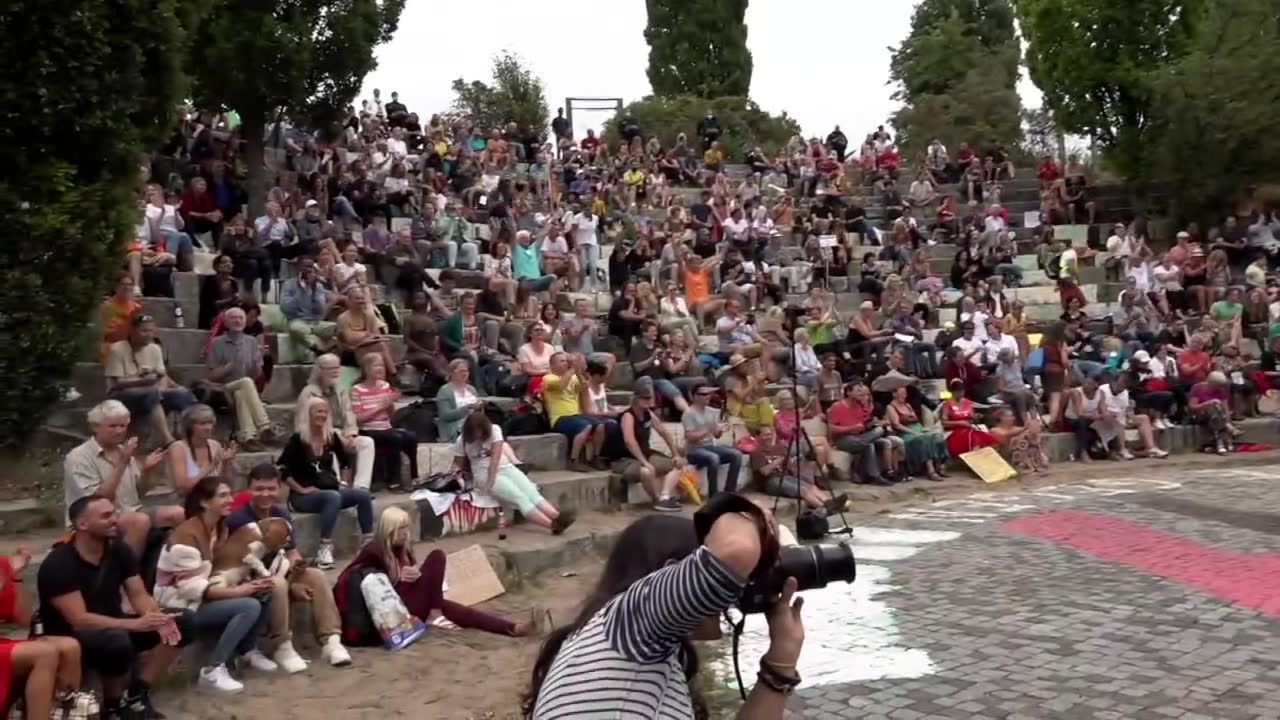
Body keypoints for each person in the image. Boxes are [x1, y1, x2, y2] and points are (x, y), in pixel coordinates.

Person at [525, 507, 804, 719]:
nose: (733, 590)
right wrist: (753, 515)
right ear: (672, 574)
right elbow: (737, 549)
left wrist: (782, 654)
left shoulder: (627, 645)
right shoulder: (631, 622)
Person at [38, 496, 193, 718]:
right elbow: (79, 620)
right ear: (82, 524)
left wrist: (156, 618)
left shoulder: (118, 550)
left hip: (115, 624)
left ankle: (138, 693)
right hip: (71, 636)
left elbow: (138, 594)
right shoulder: (59, 564)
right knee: (116, 639)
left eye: (114, 513)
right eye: (106, 516)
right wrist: (134, 624)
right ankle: (112, 707)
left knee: (183, 621)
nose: (115, 520)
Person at [338, 507, 535, 636]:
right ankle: (435, 612)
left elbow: (410, 574)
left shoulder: (404, 548)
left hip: (411, 600)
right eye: (401, 529)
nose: (406, 533)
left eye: (407, 528)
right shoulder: (375, 550)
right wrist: (395, 578)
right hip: (393, 608)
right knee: (437, 556)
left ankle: (511, 628)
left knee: (457, 610)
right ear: (389, 530)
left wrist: (412, 573)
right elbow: (358, 579)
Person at [227, 464, 352, 668]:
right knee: (277, 583)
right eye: (259, 489)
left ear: (279, 489)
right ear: (249, 489)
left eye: (271, 488)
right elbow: (241, 565)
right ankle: (282, 646)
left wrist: (297, 571)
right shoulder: (238, 520)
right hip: (251, 580)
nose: (265, 494)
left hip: (280, 572)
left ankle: (331, 640)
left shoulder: (281, 514)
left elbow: (292, 552)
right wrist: (290, 584)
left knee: (316, 575)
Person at [164, 477, 274, 692]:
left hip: (202, 595)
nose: (230, 500)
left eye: (230, 494)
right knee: (248, 605)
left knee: (264, 591)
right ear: (204, 503)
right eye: (223, 495)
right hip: (180, 605)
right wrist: (238, 591)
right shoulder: (186, 535)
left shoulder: (218, 528)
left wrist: (248, 582)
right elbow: (190, 588)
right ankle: (212, 670)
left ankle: (248, 650)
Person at [64, 400, 183, 555]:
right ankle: (127, 574)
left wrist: (147, 471)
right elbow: (99, 499)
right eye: (112, 426)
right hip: (94, 519)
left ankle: (176, 568)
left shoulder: (123, 451)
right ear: (95, 427)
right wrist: (122, 463)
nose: (119, 431)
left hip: (131, 511)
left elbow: (138, 495)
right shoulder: (78, 457)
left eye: (123, 426)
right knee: (139, 521)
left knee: (178, 513)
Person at [278, 397, 375, 569]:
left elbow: (345, 462)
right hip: (303, 496)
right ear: (308, 413)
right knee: (333, 497)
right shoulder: (298, 440)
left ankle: (368, 544)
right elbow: (281, 468)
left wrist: (344, 483)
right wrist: (301, 489)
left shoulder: (330, 437)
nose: (322, 415)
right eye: (318, 411)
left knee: (362, 494)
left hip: (331, 490)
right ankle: (324, 548)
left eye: (324, 411)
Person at [454, 413, 575, 534]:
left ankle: (557, 517)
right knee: (520, 498)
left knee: (532, 492)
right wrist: (487, 482)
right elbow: (459, 462)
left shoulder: (494, 430)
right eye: (474, 431)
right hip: (483, 474)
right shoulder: (461, 440)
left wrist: (492, 479)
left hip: (505, 467)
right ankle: (553, 526)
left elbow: (495, 458)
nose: (477, 435)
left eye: (479, 431)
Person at [104, 314, 198, 445]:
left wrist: (162, 390)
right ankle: (167, 440)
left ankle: (194, 436)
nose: (149, 335)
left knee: (183, 394)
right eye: (144, 331)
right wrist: (144, 382)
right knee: (152, 393)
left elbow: (162, 375)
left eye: (151, 331)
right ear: (132, 331)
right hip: (121, 395)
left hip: (150, 393)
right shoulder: (118, 349)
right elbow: (117, 383)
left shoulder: (155, 348)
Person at [295, 354, 377, 491]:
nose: (335, 372)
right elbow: (304, 424)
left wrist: (351, 433)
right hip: (319, 437)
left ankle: (361, 487)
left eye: (337, 368)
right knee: (330, 446)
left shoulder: (341, 389)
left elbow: (349, 412)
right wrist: (336, 436)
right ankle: (337, 486)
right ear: (320, 370)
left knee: (367, 442)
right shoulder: (308, 393)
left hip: (343, 434)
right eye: (330, 368)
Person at [606, 380, 688, 511]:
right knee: (646, 471)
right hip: (624, 459)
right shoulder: (628, 415)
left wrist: (675, 454)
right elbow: (629, 441)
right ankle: (656, 499)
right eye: (645, 398)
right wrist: (644, 462)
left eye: (650, 398)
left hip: (646, 453)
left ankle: (665, 497)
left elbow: (664, 432)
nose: (649, 401)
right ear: (637, 398)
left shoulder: (648, 414)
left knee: (678, 464)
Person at [206, 306, 277, 448]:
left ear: (245, 322)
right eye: (233, 318)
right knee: (245, 382)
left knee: (241, 392)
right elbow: (212, 376)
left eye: (241, 318)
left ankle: (247, 436)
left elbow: (255, 376)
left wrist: (257, 364)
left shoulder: (251, 341)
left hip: (244, 388)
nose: (237, 321)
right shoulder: (217, 343)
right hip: (223, 388)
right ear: (226, 322)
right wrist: (230, 367)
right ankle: (264, 426)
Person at [350, 354, 417, 492]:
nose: (380, 369)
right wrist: (380, 406)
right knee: (394, 438)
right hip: (368, 429)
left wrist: (390, 404)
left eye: (382, 365)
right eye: (376, 365)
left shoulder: (385, 385)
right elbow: (359, 419)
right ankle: (394, 481)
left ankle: (412, 477)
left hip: (385, 426)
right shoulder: (357, 390)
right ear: (366, 369)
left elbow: (390, 415)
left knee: (411, 437)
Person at [749, 425, 846, 514]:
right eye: (765, 435)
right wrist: (780, 459)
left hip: (786, 476)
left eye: (770, 434)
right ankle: (826, 509)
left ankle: (829, 503)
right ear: (758, 437)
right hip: (771, 481)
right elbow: (764, 472)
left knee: (812, 487)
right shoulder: (757, 453)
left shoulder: (778, 448)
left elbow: (789, 465)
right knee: (803, 490)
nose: (768, 437)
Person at [826, 380, 899, 485]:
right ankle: (870, 474)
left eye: (861, 391)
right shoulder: (837, 406)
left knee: (870, 443)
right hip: (842, 439)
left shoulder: (860, 406)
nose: (861, 393)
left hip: (860, 437)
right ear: (848, 393)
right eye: (858, 391)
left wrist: (872, 424)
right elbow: (832, 429)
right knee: (877, 433)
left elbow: (863, 426)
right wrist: (851, 428)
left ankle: (874, 476)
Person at [682, 385, 743, 495]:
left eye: (709, 394)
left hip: (709, 447)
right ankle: (713, 495)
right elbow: (690, 437)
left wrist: (721, 429)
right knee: (713, 458)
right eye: (704, 394)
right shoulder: (689, 413)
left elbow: (716, 435)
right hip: (694, 450)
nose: (708, 396)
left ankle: (730, 492)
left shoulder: (712, 411)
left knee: (737, 454)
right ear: (695, 396)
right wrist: (710, 429)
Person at [1094, 373, 1169, 461]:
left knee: (1144, 418)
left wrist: (1130, 413)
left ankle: (1151, 448)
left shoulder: (1125, 392)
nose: (1121, 388)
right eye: (1120, 384)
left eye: (1124, 386)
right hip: (1107, 420)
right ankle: (1122, 449)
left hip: (1121, 417)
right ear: (1113, 381)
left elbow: (1127, 410)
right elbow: (1100, 410)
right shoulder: (1102, 390)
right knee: (1118, 420)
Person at [166, 404, 237, 495]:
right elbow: (182, 487)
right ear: (190, 426)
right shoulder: (178, 447)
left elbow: (227, 484)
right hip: (186, 501)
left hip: (214, 499)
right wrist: (210, 467)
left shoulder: (215, 445)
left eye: (210, 423)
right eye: (202, 424)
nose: (208, 428)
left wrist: (227, 462)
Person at [280, 257, 340, 360]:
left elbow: (320, 310)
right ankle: (317, 349)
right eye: (306, 266)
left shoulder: (318, 286)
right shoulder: (289, 284)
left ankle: (336, 349)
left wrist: (313, 289)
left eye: (311, 267)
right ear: (298, 267)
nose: (309, 269)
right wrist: (304, 290)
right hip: (297, 320)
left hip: (315, 322)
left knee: (339, 327)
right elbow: (286, 308)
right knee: (296, 329)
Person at [885, 385, 949, 481]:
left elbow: (916, 420)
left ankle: (939, 467)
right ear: (894, 394)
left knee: (937, 436)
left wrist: (923, 429)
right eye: (901, 393)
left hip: (917, 429)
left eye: (905, 393)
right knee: (924, 439)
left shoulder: (908, 405)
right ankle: (930, 470)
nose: (904, 395)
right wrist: (913, 432)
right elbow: (897, 425)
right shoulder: (890, 407)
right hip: (905, 433)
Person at [337, 285, 398, 382]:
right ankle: (391, 376)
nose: (360, 301)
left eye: (362, 298)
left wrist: (361, 335)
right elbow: (349, 339)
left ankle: (390, 377)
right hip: (349, 352)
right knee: (377, 348)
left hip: (367, 346)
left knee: (380, 347)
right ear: (349, 301)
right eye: (357, 298)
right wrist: (367, 334)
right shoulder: (343, 318)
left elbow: (376, 335)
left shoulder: (368, 315)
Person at [630, 320, 693, 414]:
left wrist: (665, 358)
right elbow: (637, 368)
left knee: (674, 393)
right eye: (652, 331)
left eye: (656, 331)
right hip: (642, 379)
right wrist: (652, 357)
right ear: (644, 333)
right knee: (647, 380)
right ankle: (650, 412)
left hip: (659, 379)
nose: (655, 333)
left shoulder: (658, 346)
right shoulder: (637, 347)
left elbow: (669, 368)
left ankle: (690, 413)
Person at [939, 379, 997, 457]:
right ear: (953, 392)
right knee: (974, 438)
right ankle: (974, 460)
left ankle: (984, 459)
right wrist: (960, 422)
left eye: (962, 391)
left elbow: (972, 419)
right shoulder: (947, 404)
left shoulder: (968, 402)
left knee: (986, 437)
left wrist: (975, 417)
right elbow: (944, 423)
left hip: (969, 428)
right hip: (955, 431)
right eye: (958, 392)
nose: (961, 394)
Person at [1188, 371, 1238, 455]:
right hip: (1200, 414)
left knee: (1216, 410)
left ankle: (1219, 444)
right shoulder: (1197, 388)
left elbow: (1226, 408)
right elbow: (1192, 407)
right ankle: (1222, 442)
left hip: (1217, 416)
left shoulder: (1221, 390)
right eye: (1217, 385)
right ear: (1211, 383)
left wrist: (1228, 421)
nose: (1220, 387)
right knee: (1212, 408)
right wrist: (1207, 403)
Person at [435, 358, 483, 443]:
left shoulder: (471, 389)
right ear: (452, 373)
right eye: (461, 371)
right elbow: (445, 416)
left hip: (473, 426)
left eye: (466, 371)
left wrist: (479, 407)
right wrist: (467, 408)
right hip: (455, 429)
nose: (464, 374)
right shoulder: (445, 391)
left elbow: (478, 413)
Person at [990, 408, 1049, 475]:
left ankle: (1034, 463)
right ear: (1001, 418)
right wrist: (1024, 428)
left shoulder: (1016, 428)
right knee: (1019, 439)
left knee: (1027, 435)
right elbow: (1004, 434)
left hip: (1021, 454)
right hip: (1006, 456)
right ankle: (1023, 465)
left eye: (1012, 416)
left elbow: (1031, 432)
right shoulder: (994, 430)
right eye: (1010, 416)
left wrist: (1033, 427)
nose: (1013, 418)